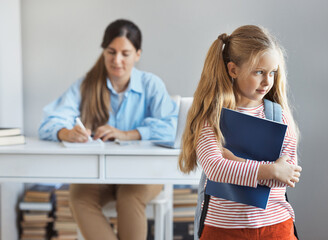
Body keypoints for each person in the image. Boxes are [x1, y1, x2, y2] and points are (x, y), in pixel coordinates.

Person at [39, 19, 178, 240]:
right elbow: (49, 122)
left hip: (142, 173)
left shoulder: (152, 85)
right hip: (99, 173)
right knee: (78, 198)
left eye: (125, 53)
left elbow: (171, 129)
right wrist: (65, 133)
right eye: (111, 52)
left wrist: (128, 134)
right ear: (103, 52)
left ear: (138, 54)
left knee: (129, 197)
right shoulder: (85, 85)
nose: (117, 60)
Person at [178, 25, 302, 240]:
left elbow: (287, 175)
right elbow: (216, 169)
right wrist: (270, 171)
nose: (267, 81)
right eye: (259, 72)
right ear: (233, 70)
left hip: (276, 225)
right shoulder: (212, 117)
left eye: (272, 72)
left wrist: (238, 163)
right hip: (224, 228)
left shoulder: (278, 115)